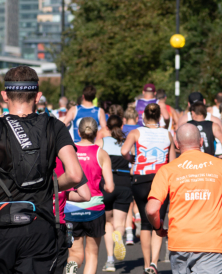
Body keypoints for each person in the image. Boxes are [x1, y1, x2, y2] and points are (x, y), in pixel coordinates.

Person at [0, 65, 84, 274]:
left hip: (0, 223)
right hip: (40, 222)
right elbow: (75, 174)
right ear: (38, 95)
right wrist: (50, 187)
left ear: (4, 95)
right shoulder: (55, 126)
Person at [146, 124, 222, 274]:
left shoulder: (167, 170)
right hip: (212, 243)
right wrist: (218, 209)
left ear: (176, 144)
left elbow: (151, 209)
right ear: (201, 142)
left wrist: (158, 228)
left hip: (179, 243)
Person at [121, 103, 175, 274]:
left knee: (145, 222)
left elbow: (123, 151)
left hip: (140, 179)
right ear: (160, 117)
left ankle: (145, 264)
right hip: (160, 179)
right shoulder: (168, 134)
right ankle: (154, 263)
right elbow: (172, 163)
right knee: (158, 222)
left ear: (143, 117)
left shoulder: (136, 132)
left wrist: (133, 159)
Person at [64, 117, 114, 274]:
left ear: (78, 132)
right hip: (94, 208)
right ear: (96, 133)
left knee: (75, 253)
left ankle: (72, 265)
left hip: (71, 209)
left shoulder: (68, 151)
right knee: (92, 255)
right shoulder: (101, 153)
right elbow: (110, 187)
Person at [96, 115, 131, 272]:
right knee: (120, 224)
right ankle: (120, 235)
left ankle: (110, 260)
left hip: (107, 184)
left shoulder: (101, 143)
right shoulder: (127, 144)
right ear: (122, 126)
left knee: (107, 223)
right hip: (124, 183)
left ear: (107, 128)